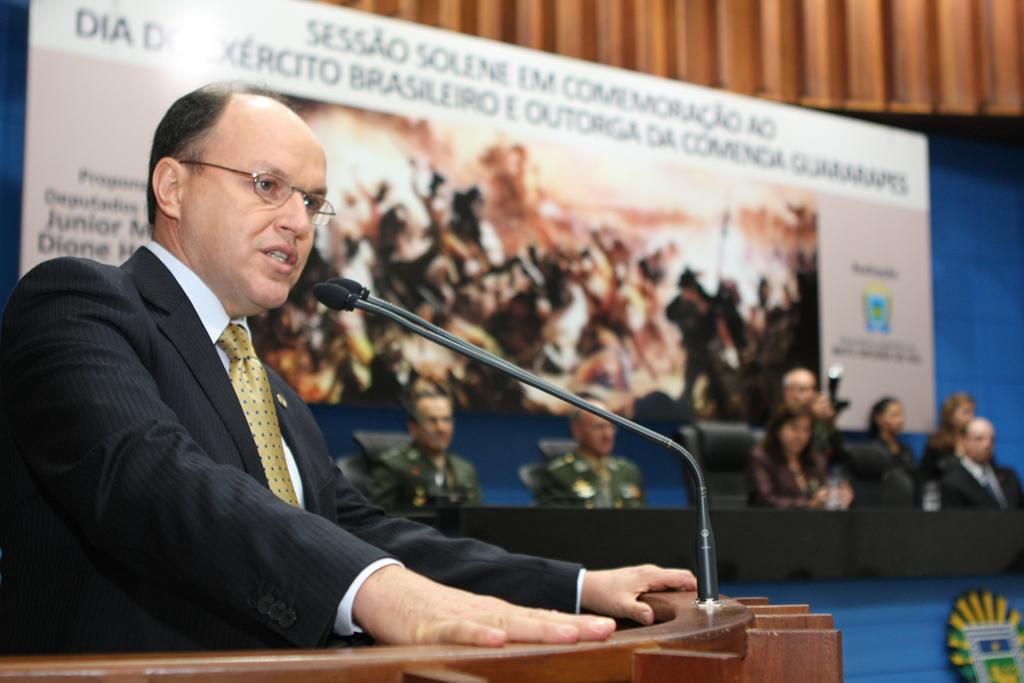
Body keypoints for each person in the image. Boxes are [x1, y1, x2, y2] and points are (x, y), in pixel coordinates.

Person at [0, 83, 695, 655]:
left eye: (310, 201)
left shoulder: (268, 388)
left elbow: (368, 536)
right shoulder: (78, 303)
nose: (298, 223)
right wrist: (377, 591)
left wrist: (573, 585)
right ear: (172, 187)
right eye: (268, 185)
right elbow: (153, 477)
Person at [369, 381, 482, 512]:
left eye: (446, 419)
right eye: (432, 420)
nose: (441, 428)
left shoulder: (465, 469)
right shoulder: (394, 466)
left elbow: (476, 521)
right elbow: (377, 520)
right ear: (413, 427)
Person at [533, 398, 646, 508]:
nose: (607, 435)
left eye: (610, 426)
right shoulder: (559, 474)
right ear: (577, 431)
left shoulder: (628, 471)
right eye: (599, 427)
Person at [747, 405, 854, 509]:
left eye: (806, 430)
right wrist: (809, 505)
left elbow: (824, 492)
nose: (801, 436)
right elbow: (765, 500)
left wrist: (838, 496)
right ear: (777, 430)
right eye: (794, 428)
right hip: (773, 523)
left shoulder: (817, 460)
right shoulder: (761, 458)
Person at [940, 418, 1022, 509]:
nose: (987, 444)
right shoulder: (952, 483)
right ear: (964, 441)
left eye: (992, 439)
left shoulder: (1009, 476)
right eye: (979, 439)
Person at [780, 367, 849, 470]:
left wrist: (829, 423)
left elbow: (839, 455)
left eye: (813, 389)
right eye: (803, 390)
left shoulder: (818, 419)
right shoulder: (778, 418)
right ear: (787, 393)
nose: (810, 395)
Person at [920, 392, 975, 481]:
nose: (971, 417)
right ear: (950, 415)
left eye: (973, 412)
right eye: (966, 412)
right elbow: (926, 476)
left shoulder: (977, 441)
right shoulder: (936, 443)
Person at [866, 397, 916, 476]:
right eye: (894, 415)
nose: (900, 420)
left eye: (901, 415)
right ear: (878, 418)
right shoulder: (873, 451)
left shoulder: (907, 451)